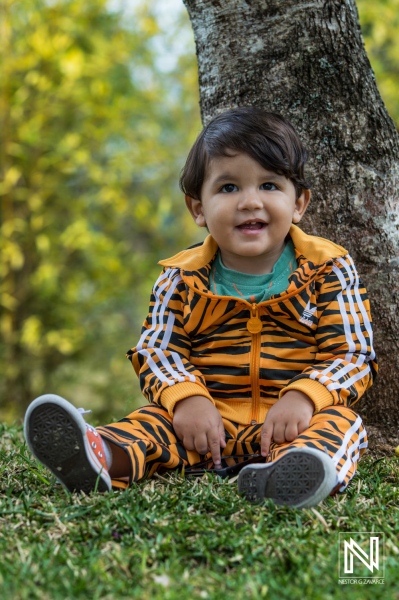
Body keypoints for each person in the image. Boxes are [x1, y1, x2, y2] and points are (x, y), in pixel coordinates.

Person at [24, 107, 377, 508]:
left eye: (269, 185)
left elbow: (353, 354)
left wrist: (306, 396)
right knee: (152, 423)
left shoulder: (327, 269)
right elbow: (158, 350)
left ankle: (297, 473)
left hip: (295, 421)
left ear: (299, 203)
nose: (249, 202)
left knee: (342, 425)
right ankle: (101, 456)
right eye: (228, 188)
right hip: (205, 428)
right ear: (198, 209)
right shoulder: (181, 278)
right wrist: (187, 398)